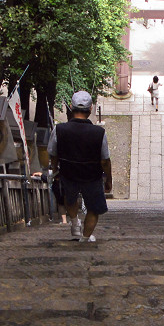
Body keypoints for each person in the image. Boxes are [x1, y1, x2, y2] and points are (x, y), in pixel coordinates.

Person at [48, 91, 113, 242]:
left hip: (68, 173)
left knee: (69, 199)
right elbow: (105, 160)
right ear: (91, 109)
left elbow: (53, 152)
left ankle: (75, 222)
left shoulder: (59, 130)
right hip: (92, 176)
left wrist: (55, 168)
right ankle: (85, 238)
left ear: (71, 107)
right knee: (93, 208)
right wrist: (109, 179)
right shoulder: (99, 132)